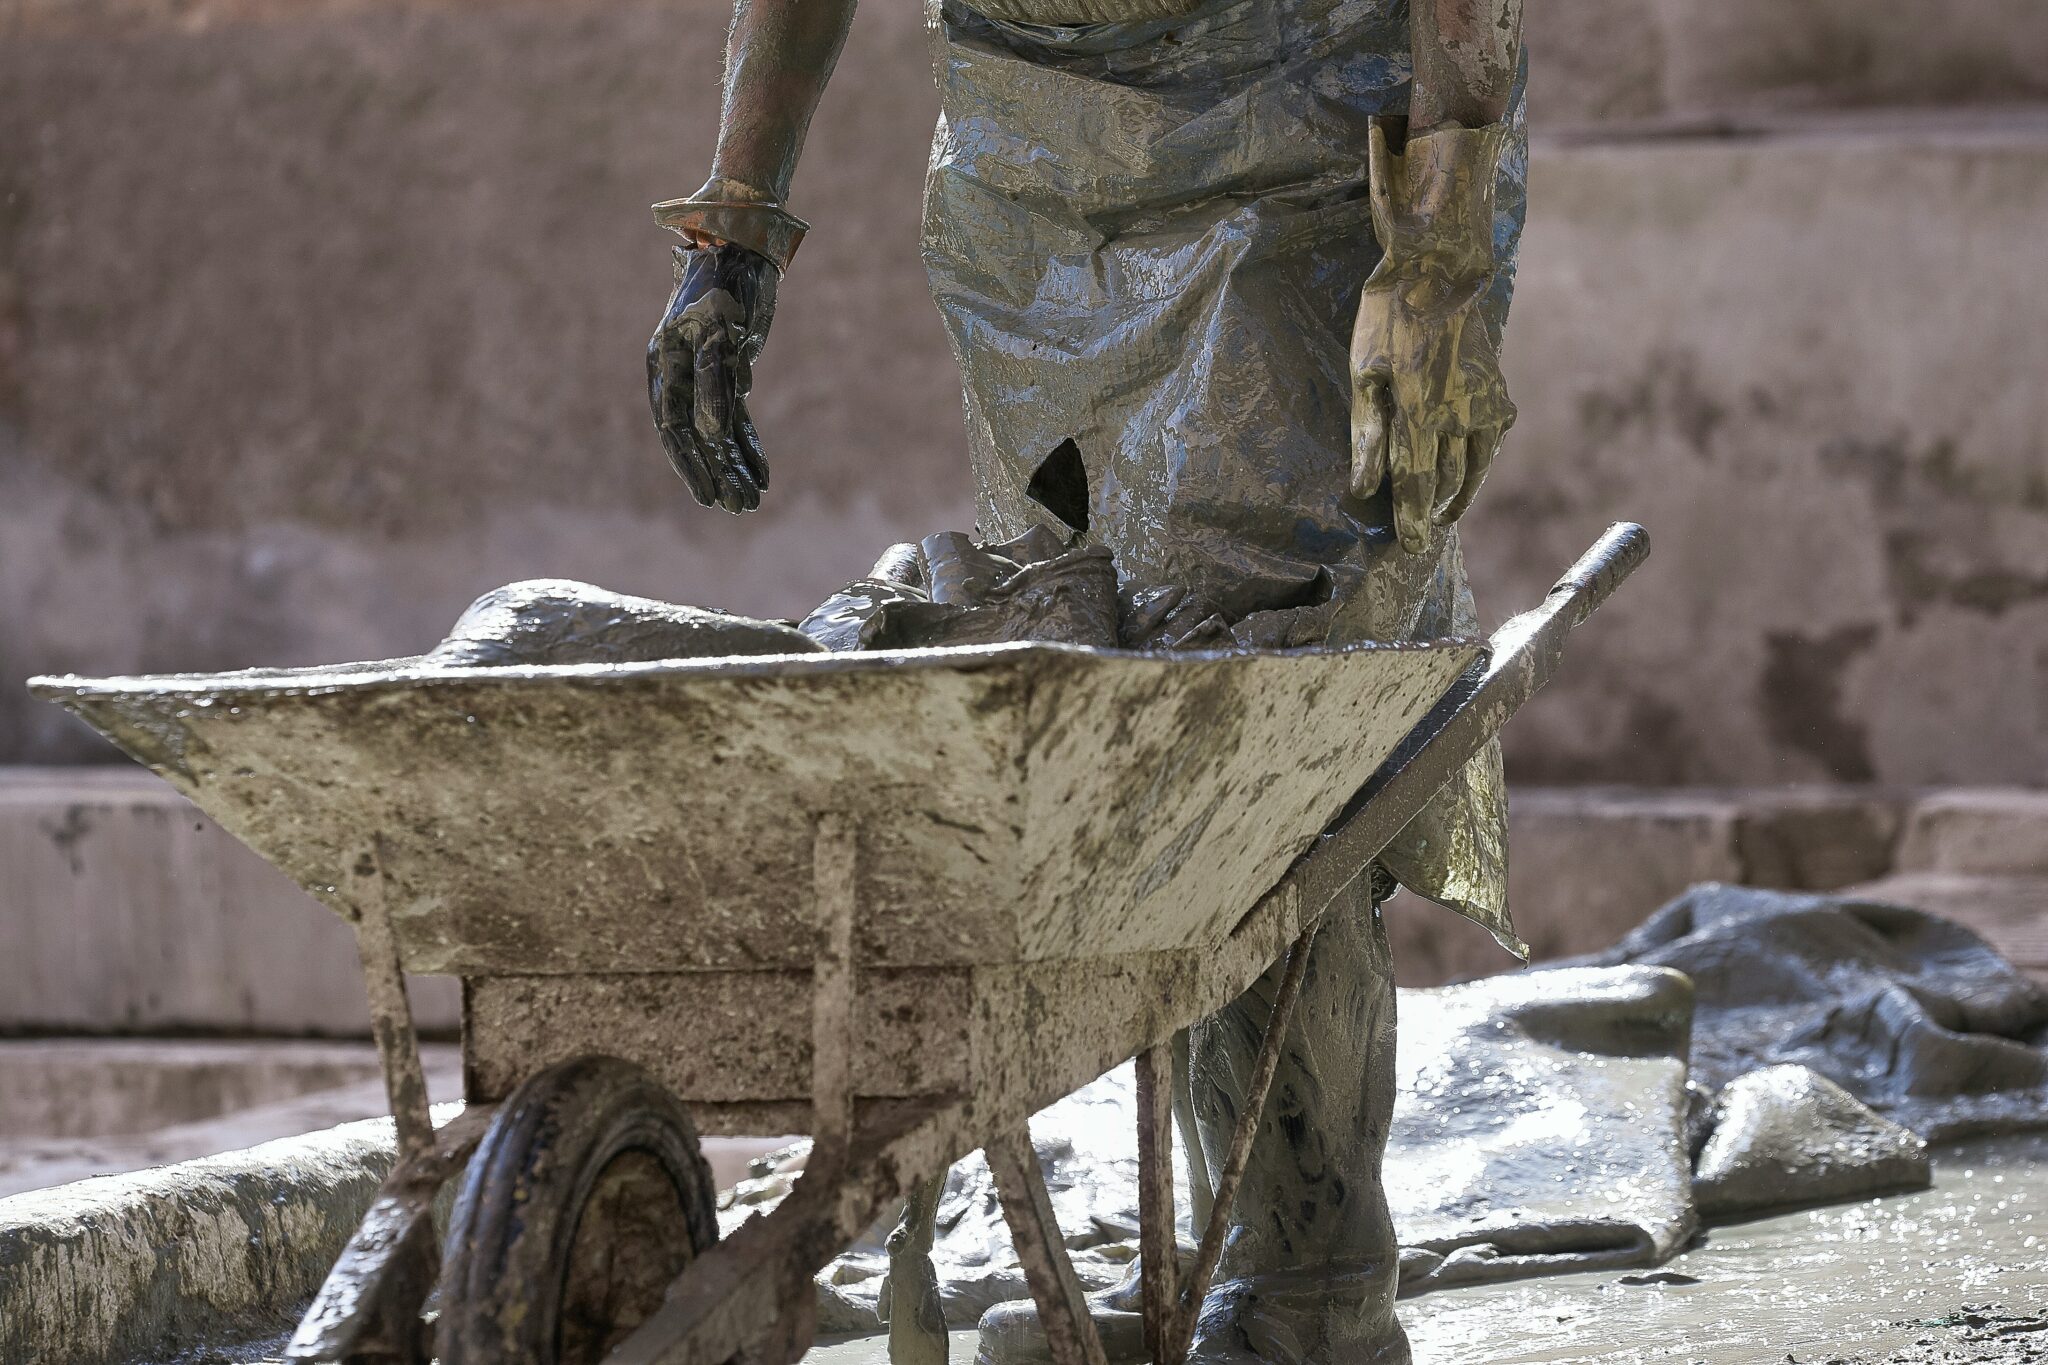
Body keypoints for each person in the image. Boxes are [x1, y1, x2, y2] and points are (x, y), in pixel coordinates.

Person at [646, 0, 1528, 1358]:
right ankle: (1243, 1231)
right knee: (1109, 667)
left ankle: (1315, 1286)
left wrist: (1442, 247)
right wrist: (736, 231)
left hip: (1296, 131)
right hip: (1031, 183)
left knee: (1255, 674)